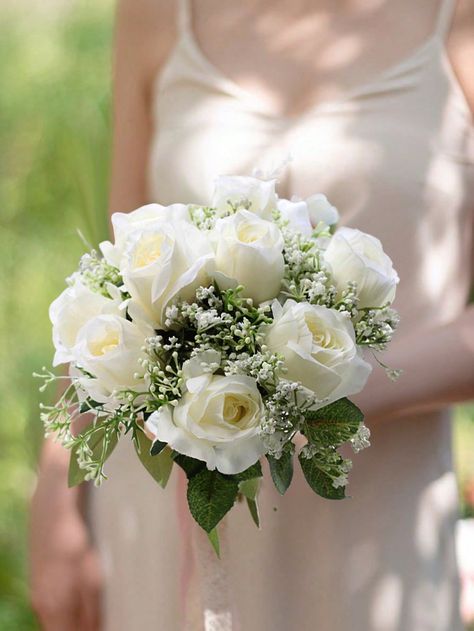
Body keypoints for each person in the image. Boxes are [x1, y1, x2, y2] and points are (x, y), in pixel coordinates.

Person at [30, 1, 474, 629]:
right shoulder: (156, 14)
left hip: (370, 523)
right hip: (163, 511)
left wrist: (326, 384)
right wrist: (57, 487)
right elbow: (112, 279)